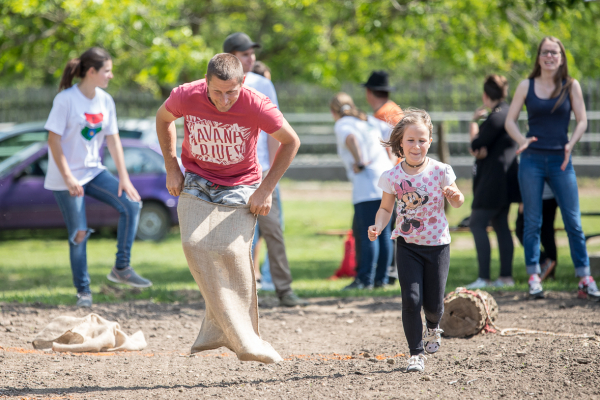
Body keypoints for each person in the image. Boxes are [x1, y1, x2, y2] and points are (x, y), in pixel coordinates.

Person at [155, 53, 300, 362]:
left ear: (242, 83)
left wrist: (266, 189)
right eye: (216, 91)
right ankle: (227, 329)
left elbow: (291, 142)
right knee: (193, 244)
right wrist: (172, 167)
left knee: (232, 253)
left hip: (242, 184)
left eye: (231, 92)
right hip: (197, 177)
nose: (223, 100)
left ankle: (247, 340)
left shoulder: (257, 104)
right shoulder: (186, 94)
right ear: (206, 82)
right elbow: (163, 118)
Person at [44, 47, 152, 308]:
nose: (111, 75)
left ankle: (121, 268)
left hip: (93, 172)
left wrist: (124, 178)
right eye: (107, 70)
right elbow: (53, 140)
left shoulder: (105, 100)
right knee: (79, 232)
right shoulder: (65, 100)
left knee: (131, 203)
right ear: (91, 72)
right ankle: (83, 292)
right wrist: (68, 177)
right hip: (65, 178)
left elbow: (113, 140)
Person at [505, 36, 599, 301]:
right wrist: (521, 141)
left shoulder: (571, 85)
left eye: (554, 52)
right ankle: (534, 277)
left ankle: (585, 278)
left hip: (561, 160)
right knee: (532, 221)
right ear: (538, 57)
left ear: (561, 56)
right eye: (545, 52)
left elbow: (582, 120)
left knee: (573, 222)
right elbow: (510, 121)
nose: (549, 57)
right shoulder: (526, 85)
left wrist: (571, 143)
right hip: (532, 159)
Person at [369, 109, 464, 373]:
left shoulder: (441, 171)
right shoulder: (393, 176)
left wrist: (454, 197)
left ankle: (433, 327)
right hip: (407, 246)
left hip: (437, 246)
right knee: (411, 299)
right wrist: (378, 226)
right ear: (401, 142)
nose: (416, 145)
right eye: (410, 140)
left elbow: (458, 200)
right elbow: (386, 209)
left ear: (430, 142)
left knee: (433, 306)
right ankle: (415, 353)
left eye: (422, 140)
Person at [224, 32, 307, 306]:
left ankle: (284, 289)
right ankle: (236, 292)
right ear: (231, 57)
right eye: (245, 54)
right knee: (234, 235)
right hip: (232, 174)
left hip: (261, 172)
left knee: (273, 230)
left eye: (252, 53)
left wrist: (272, 175)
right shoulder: (218, 85)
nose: (252, 58)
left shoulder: (262, 84)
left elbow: (276, 131)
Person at [330, 93, 394, 290]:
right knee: (383, 232)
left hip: (366, 183)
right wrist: (390, 160)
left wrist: (359, 161)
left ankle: (364, 279)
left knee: (369, 231)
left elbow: (351, 139)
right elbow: (391, 133)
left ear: (333, 111)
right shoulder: (368, 120)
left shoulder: (343, 124)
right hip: (385, 179)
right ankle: (381, 279)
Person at [465, 75, 520, 289]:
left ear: (485, 95)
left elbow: (476, 145)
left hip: (493, 182)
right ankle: (505, 277)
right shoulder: (508, 114)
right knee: (500, 225)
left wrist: (473, 123)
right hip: (505, 180)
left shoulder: (497, 117)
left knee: (477, 223)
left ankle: (484, 277)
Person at [515, 183, 558, 280]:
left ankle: (544, 262)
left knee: (522, 230)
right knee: (547, 233)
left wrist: (523, 199)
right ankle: (550, 272)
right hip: (551, 195)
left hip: (534, 196)